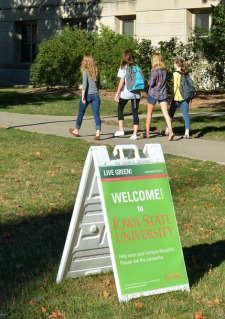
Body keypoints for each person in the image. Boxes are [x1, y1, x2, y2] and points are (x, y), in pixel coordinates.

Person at [140, 53, 174, 141]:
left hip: (153, 93)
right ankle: (170, 131)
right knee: (166, 113)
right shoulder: (165, 70)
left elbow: (151, 83)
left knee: (149, 113)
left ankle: (147, 133)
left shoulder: (154, 70)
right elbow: (165, 82)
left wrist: (148, 83)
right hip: (163, 93)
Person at [69, 54, 101, 140]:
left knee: (81, 113)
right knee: (96, 115)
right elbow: (98, 84)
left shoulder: (85, 71)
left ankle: (76, 130)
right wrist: (96, 92)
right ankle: (97, 133)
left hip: (87, 95)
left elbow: (85, 84)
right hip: (96, 95)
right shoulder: (96, 71)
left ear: (86, 61)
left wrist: (83, 96)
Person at [114, 51, 141, 140]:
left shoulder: (123, 67)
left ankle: (121, 130)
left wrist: (117, 92)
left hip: (126, 92)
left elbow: (122, 81)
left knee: (120, 108)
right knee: (135, 112)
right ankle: (134, 134)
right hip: (136, 92)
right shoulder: (136, 66)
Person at [165, 57, 191, 139]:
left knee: (171, 114)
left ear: (177, 64)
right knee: (185, 115)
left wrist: (170, 98)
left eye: (174, 63)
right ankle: (187, 133)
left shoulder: (175, 73)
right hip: (185, 97)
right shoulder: (185, 72)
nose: (173, 64)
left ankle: (167, 130)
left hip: (177, 98)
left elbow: (174, 87)